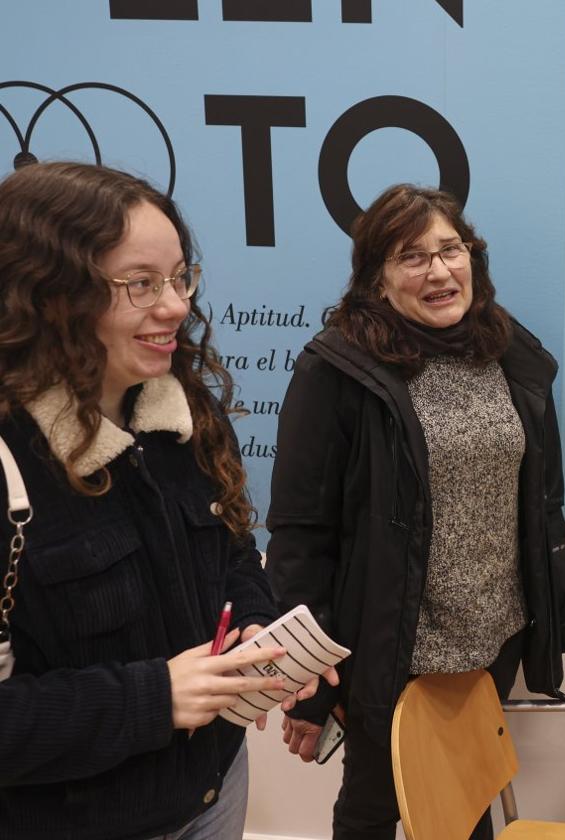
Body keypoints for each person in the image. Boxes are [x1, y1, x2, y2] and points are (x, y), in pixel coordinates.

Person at [0, 162, 329, 840]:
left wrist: (257, 630)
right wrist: (156, 699)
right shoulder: (11, 460)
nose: (176, 305)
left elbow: (234, 551)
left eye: (181, 277)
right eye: (139, 285)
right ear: (47, 295)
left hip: (214, 791)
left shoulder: (186, 414)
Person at [266, 184, 565, 840]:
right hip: (390, 648)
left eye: (451, 250)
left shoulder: (509, 356)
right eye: (412, 257)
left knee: (466, 794)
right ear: (375, 280)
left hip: (491, 640)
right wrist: (308, 681)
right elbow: (301, 540)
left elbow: (541, 504)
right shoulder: (335, 373)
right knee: (373, 808)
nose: (441, 270)